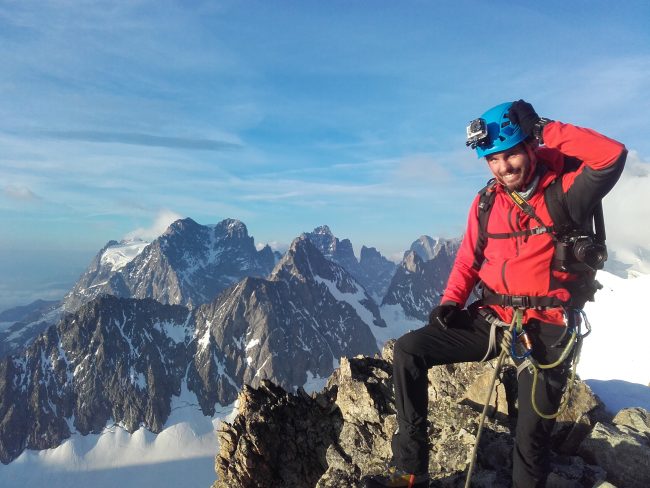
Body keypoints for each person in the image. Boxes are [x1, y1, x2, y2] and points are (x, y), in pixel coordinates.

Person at [365, 100, 626, 488]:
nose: (503, 167)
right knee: (409, 351)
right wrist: (452, 301)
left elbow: (611, 155)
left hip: (547, 328)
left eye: (510, 155)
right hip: (494, 319)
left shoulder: (566, 193)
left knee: (530, 436)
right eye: (492, 159)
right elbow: (468, 261)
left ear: (529, 147)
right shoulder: (487, 202)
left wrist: (543, 127)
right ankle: (409, 470)